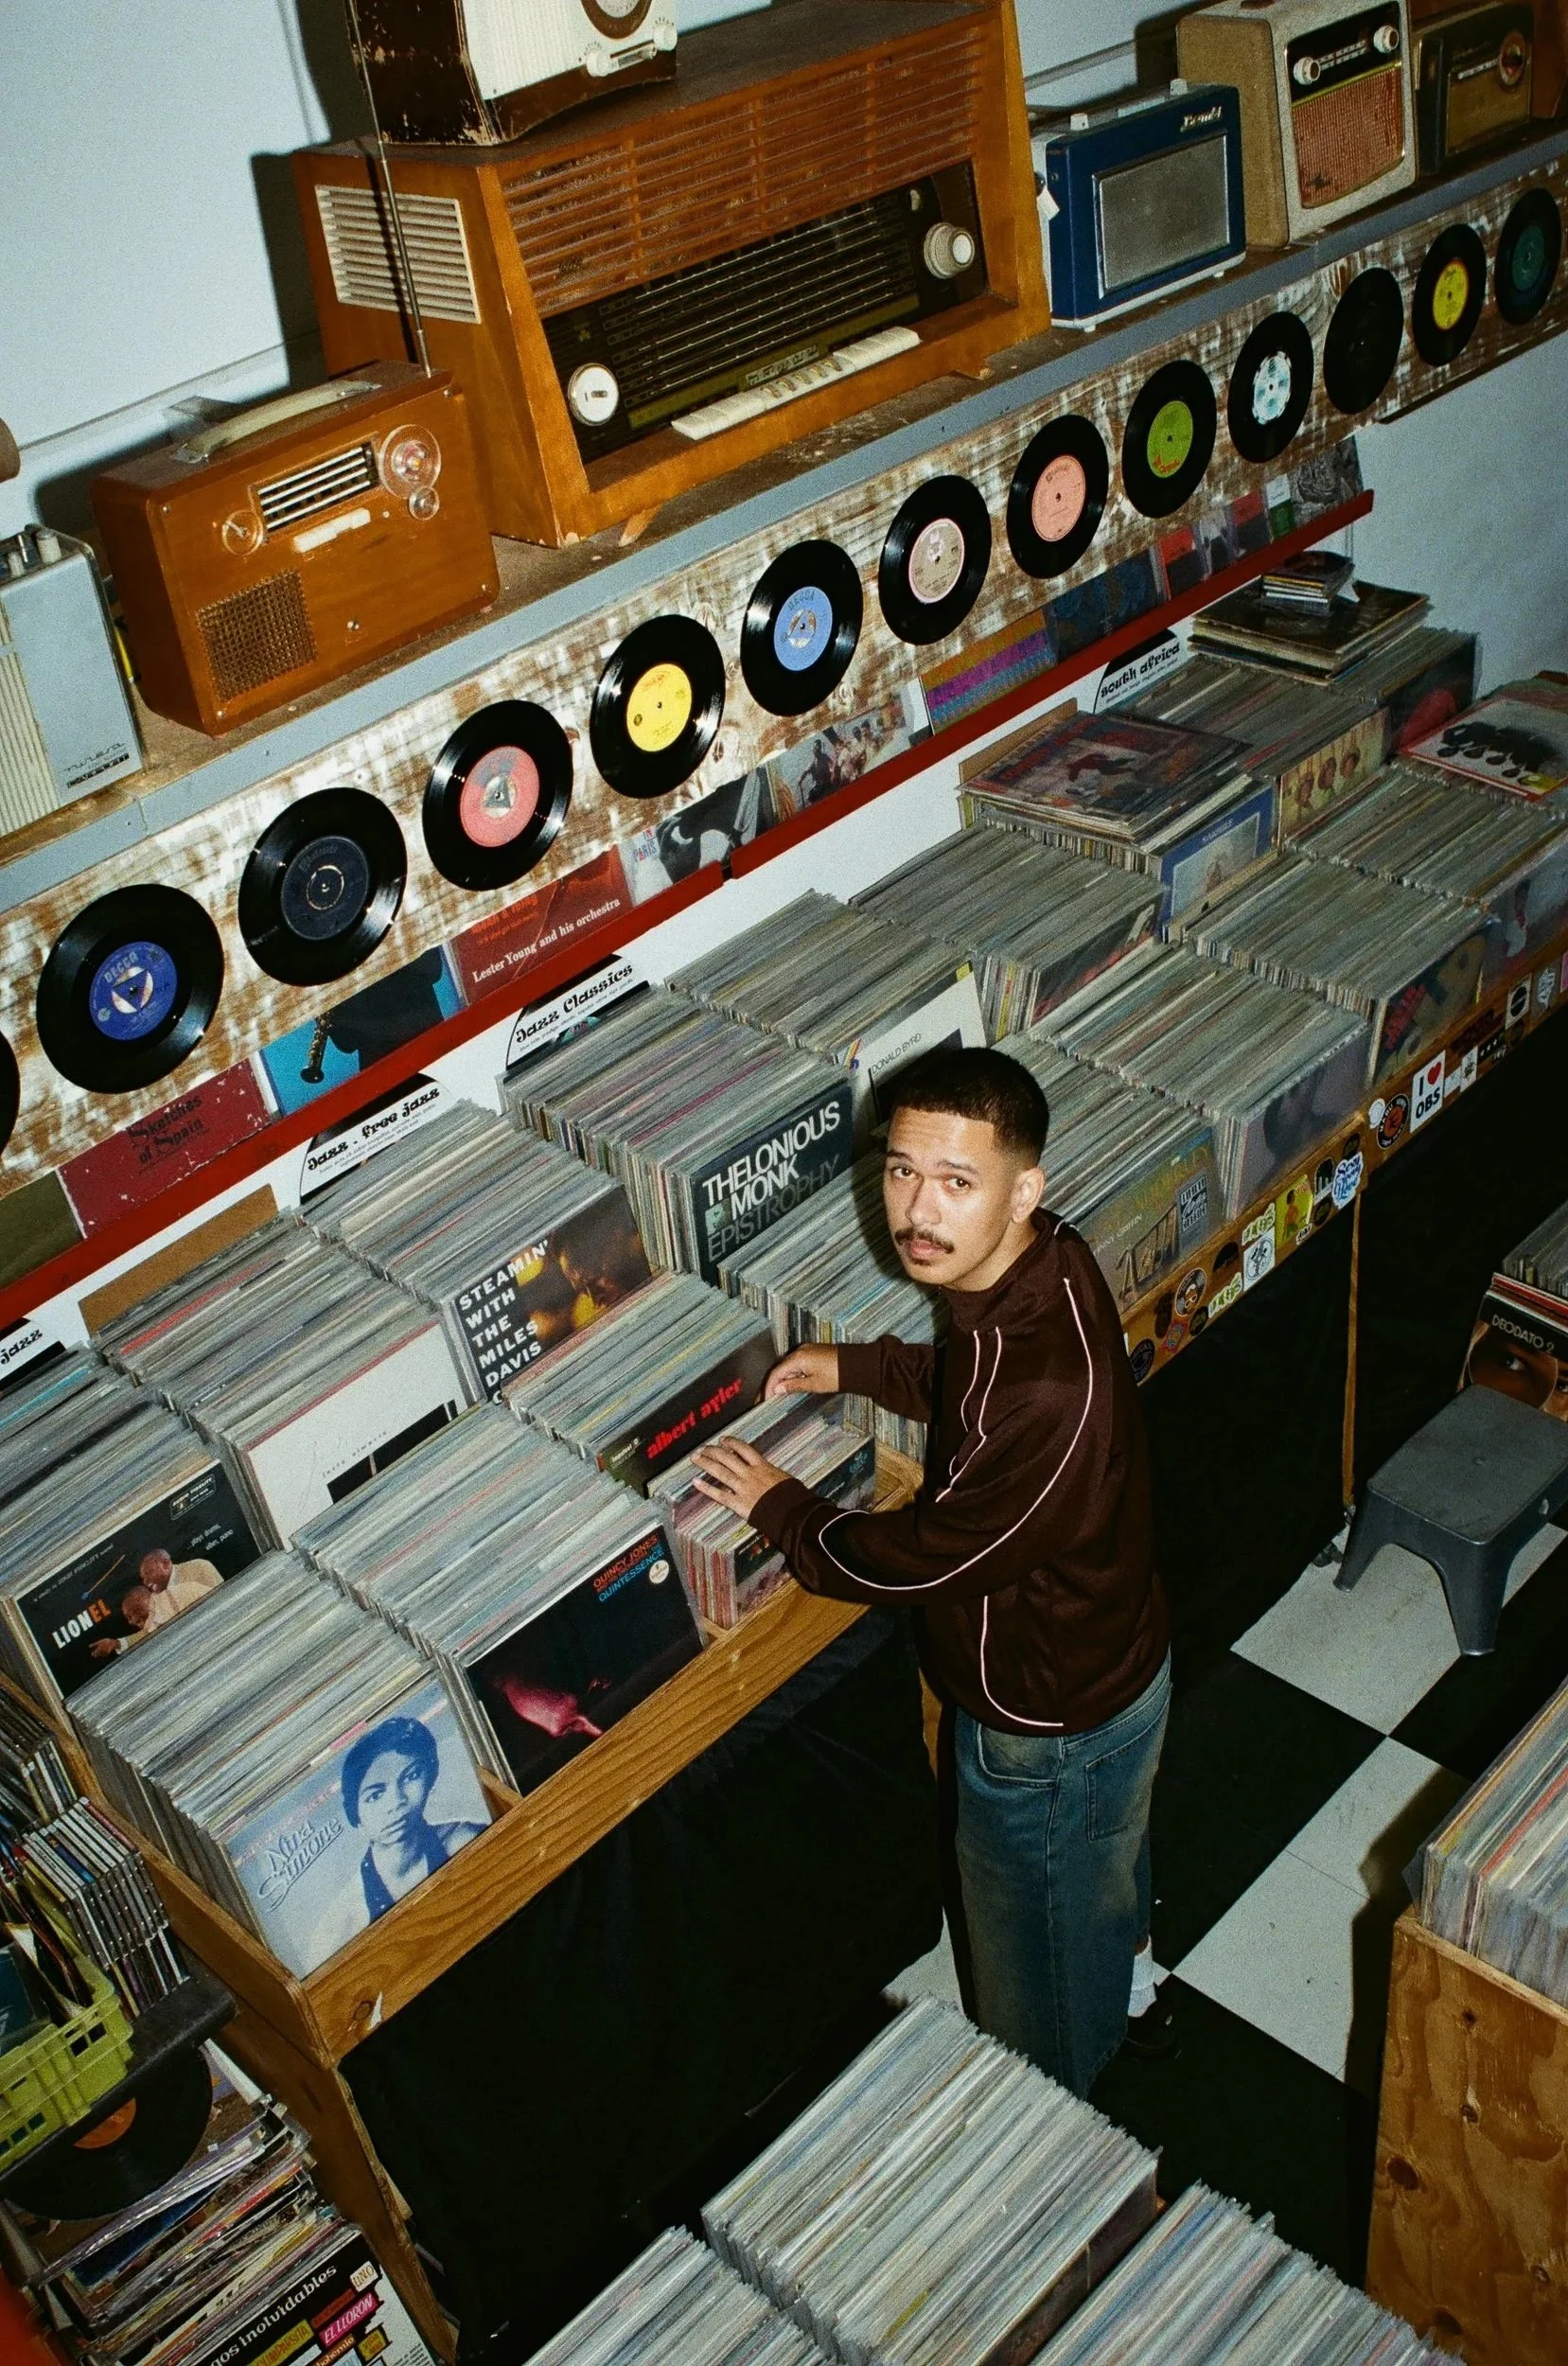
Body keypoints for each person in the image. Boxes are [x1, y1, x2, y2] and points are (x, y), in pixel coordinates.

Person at [692, 1046, 1172, 2094]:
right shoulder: (1042, 1258)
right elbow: (966, 1377)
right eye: (902, 1170)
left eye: (957, 1181)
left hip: (1043, 1729)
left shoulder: (1042, 1395)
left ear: (1022, 1189)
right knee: (1100, 1884)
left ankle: (1062, 2141)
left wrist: (783, 1506)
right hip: (1111, 1664)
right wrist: (861, 1366)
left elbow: (920, 1562)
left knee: (1036, 2005)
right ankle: (1128, 1984)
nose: (917, 1209)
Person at [308, 1715, 486, 1964]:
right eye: (375, 1795)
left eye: (411, 1776)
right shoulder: (340, 1928)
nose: (397, 1802)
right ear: (355, 1816)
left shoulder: (469, 1840)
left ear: (431, 1776)